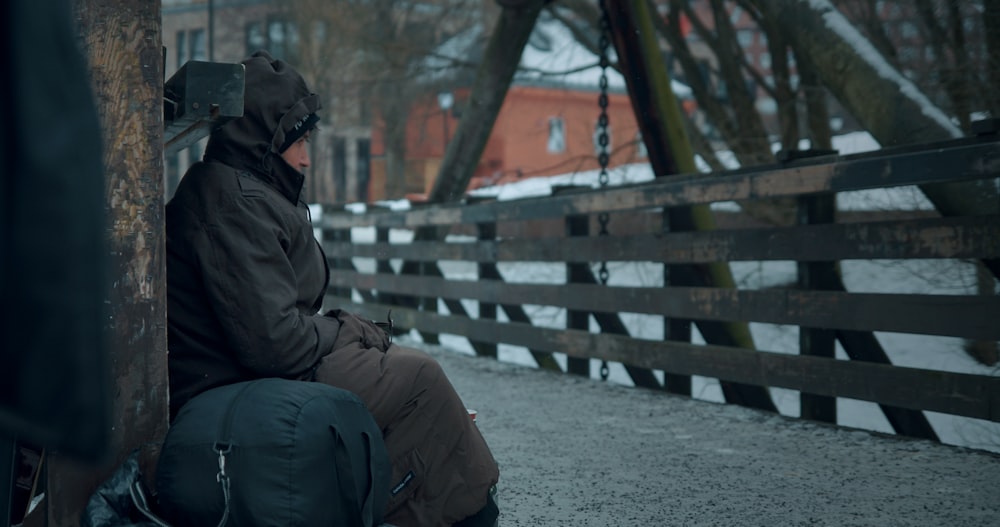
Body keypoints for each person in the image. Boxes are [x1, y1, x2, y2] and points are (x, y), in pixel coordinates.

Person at [165, 50, 499, 527]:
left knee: (407, 374)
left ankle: (437, 506)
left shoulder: (243, 191)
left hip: (245, 374)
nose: (306, 158)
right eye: (297, 141)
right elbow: (275, 344)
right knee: (418, 382)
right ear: (263, 138)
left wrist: (348, 332)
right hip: (233, 383)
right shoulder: (231, 201)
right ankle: (444, 514)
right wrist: (345, 329)